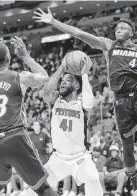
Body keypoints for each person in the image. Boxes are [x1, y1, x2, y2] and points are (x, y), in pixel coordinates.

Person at [33, 8, 137, 196]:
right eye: (117, 28)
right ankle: (136, 188)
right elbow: (79, 33)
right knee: (127, 146)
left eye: (123, 27)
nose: (118, 30)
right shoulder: (108, 45)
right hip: (121, 101)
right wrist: (53, 22)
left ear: (132, 32)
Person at [0, 37, 59, 196]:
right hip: (14, 137)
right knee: (43, 188)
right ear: (9, 58)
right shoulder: (20, 77)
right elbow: (45, 77)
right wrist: (25, 55)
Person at [24, 52, 103, 196]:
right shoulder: (55, 100)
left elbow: (90, 102)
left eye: (68, 80)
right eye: (63, 80)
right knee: (33, 191)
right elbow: (46, 91)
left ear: (77, 85)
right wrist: (62, 67)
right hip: (58, 159)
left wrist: (84, 74)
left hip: (80, 158)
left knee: (93, 179)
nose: (63, 82)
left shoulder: (81, 104)